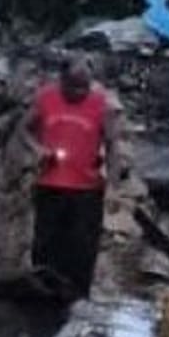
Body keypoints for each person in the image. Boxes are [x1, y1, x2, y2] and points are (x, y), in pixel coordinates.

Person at [20, 55, 123, 301]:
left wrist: (114, 187)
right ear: (61, 80)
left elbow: (113, 146)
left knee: (82, 249)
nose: (79, 92)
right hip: (49, 185)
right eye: (73, 86)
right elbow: (23, 129)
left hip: (86, 189)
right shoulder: (46, 98)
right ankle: (42, 297)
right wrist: (38, 150)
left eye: (84, 87)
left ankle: (77, 300)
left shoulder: (101, 105)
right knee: (45, 245)